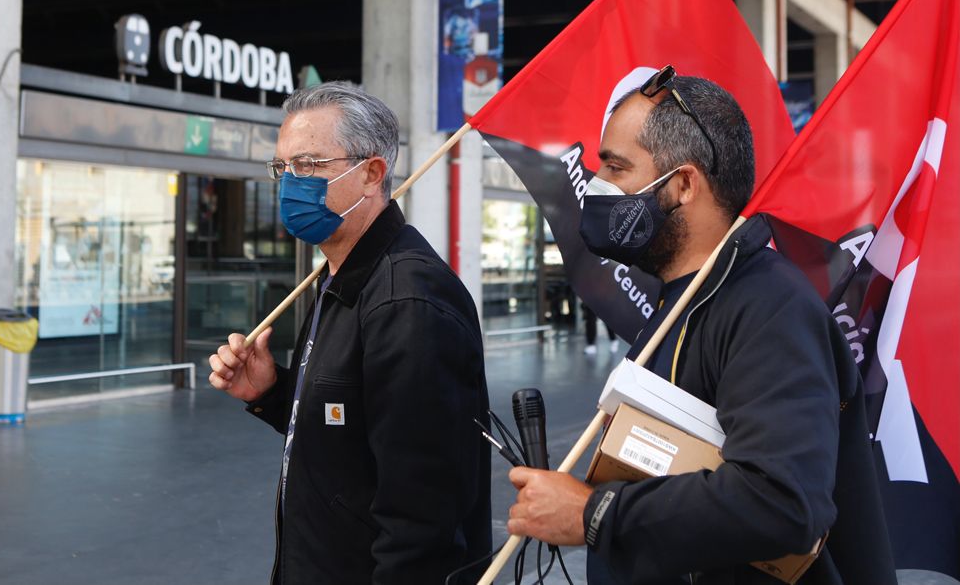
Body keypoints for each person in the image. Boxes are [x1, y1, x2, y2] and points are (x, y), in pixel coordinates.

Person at [505, 66, 896, 584]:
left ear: (685, 183)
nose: (599, 187)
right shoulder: (680, 299)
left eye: (617, 168)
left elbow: (784, 501)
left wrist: (594, 513)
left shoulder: (770, 308)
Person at [208, 81, 491, 585]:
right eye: (283, 168)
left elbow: (422, 519)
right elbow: (354, 430)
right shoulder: (338, 278)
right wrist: (273, 392)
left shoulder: (406, 301)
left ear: (372, 174)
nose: (290, 183)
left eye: (309, 165)